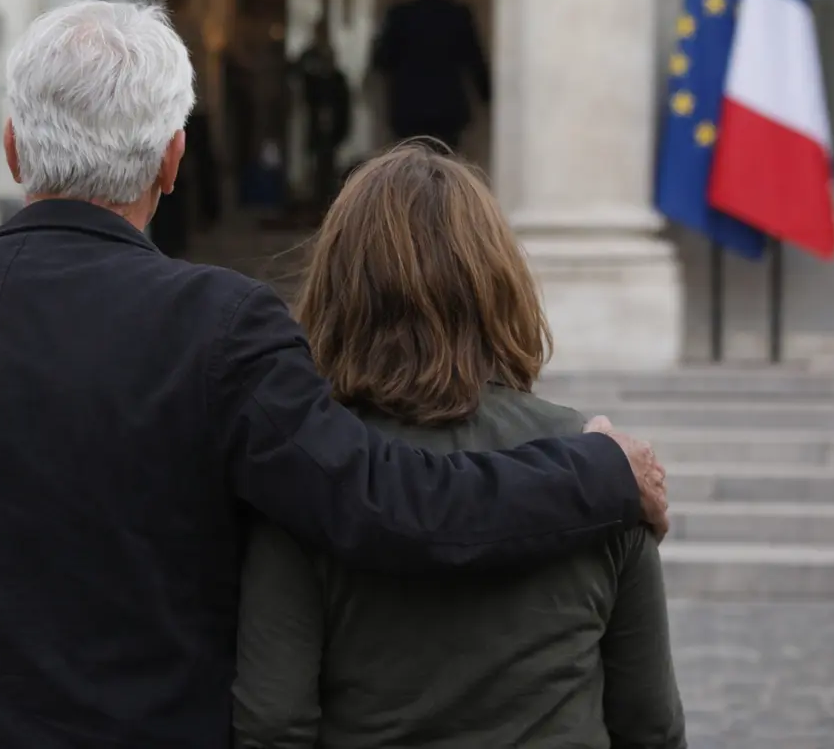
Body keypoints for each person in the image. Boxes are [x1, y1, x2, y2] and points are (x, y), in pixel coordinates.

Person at [0, 1, 669, 748]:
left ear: (13, 148)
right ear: (173, 157)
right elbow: (387, 504)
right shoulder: (219, 327)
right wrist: (598, 470)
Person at [233, 142, 686, 749]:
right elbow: (650, 725)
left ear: (339, 292)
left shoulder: (307, 482)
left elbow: (272, 723)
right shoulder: (606, 469)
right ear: (500, 284)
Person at [372, 0, 491, 148]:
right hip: (448, 108)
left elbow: (383, 60)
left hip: (408, 108)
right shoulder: (458, 14)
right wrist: (489, 97)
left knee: (410, 166)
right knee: (446, 167)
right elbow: (475, 60)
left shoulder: (400, 14)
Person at [293, 18, 352, 213]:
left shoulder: (335, 75)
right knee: (317, 159)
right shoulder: (310, 59)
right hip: (315, 115)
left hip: (331, 118)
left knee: (327, 160)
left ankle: (325, 200)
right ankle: (316, 200)